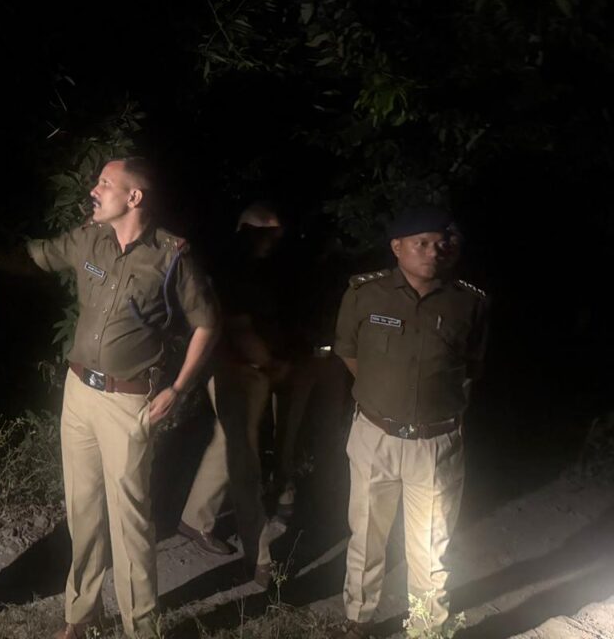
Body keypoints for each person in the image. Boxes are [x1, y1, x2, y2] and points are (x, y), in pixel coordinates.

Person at [27, 157, 220, 639]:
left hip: (127, 403)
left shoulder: (172, 255)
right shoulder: (89, 239)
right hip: (78, 393)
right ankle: (81, 614)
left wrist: (178, 388)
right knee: (83, 511)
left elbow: (206, 324)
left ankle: (141, 627)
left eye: (105, 183)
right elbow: (36, 255)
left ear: (134, 197)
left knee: (129, 520)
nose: (94, 190)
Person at [331, 207, 488, 638]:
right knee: (366, 535)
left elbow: (471, 368)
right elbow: (348, 351)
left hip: (435, 441)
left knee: (432, 546)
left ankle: (426, 627)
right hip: (375, 434)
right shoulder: (365, 294)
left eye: (441, 243)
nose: (433, 251)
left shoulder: (469, 303)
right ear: (397, 247)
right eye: (422, 243)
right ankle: (358, 619)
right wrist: (385, 395)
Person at [177, 202, 304, 586]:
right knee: (244, 458)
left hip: (249, 370)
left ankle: (194, 519)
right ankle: (260, 559)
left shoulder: (255, 267)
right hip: (235, 371)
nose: (273, 241)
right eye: (268, 233)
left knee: (227, 443)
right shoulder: (235, 270)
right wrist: (271, 364)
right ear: (248, 231)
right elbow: (238, 327)